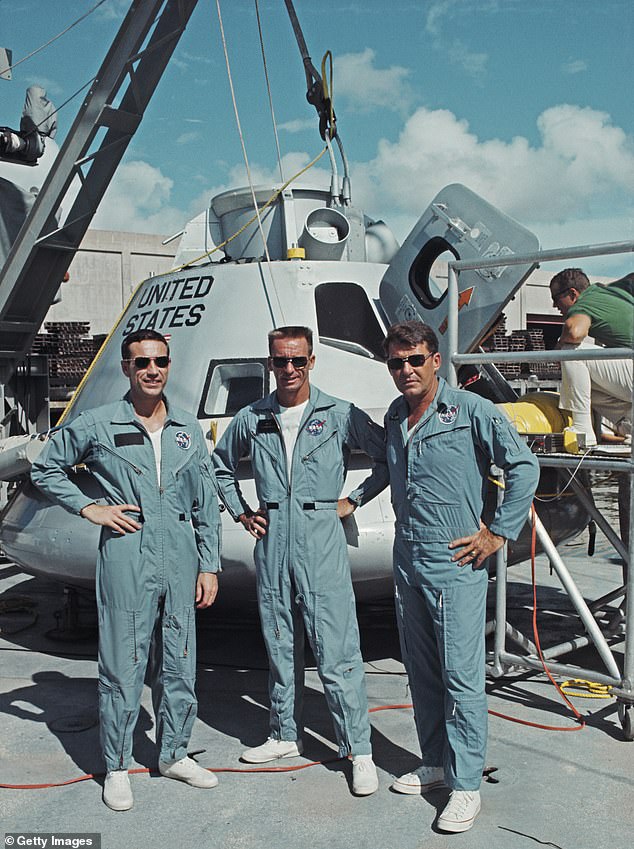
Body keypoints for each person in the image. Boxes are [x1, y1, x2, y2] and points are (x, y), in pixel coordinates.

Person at [31, 329, 221, 812]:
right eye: (142, 362)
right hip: (127, 554)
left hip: (180, 558)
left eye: (160, 361)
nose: (152, 370)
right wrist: (89, 507)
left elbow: (205, 504)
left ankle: (174, 753)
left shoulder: (187, 429)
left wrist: (209, 565)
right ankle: (116, 765)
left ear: (169, 365)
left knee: (180, 661)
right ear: (126, 368)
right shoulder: (97, 424)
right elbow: (45, 467)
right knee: (123, 665)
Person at [212, 325, 388, 795]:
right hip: (272, 541)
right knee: (279, 644)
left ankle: (358, 749)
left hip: (321, 538)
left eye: (297, 361)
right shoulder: (253, 417)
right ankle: (283, 734)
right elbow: (219, 466)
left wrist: (355, 499)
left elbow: (388, 456)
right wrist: (242, 512)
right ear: (269, 363)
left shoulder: (339, 413)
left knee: (337, 648)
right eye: (279, 361)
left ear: (311, 362)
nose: (288, 369)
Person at [377, 320, 538, 832]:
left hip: (456, 560)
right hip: (409, 558)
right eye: (396, 362)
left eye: (415, 360)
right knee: (421, 670)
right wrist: (353, 500)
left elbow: (524, 467)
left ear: (435, 360)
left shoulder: (471, 412)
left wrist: (496, 532)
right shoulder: (395, 416)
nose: (406, 370)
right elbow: (388, 469)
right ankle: (435, 763)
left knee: (461, 676)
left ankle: (466, 784)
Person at [549, 268, 633, 447]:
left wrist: (558, 348)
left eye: (556, 299)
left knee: (570, 351)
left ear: (572, 293)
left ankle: (582, 431)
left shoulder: (584, 302)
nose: (555, 306)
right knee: (582, 387)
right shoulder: (607, 293)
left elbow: (575, 332)